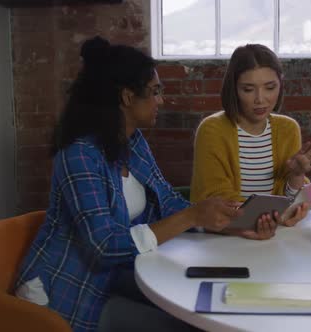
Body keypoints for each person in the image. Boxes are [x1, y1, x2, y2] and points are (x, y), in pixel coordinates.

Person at [14, 36, 240, 332]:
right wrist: (193, 216)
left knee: (200, 303)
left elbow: (168, 201)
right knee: (184, 326)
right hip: (67, 289)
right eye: (155, 91)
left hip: (115, 276)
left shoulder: (132, 141)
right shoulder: (78, 154)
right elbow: (104, 246)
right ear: (127, 97)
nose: (161, 100)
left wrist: (234, 223)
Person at [190, 44, 311, 240]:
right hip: (223, 239)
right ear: (234, 89)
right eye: (248, 89)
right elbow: (213, 198)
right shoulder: (212, 130)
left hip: (276, 237)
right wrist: (272, 217)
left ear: (280, 84)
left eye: (270, 88)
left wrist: (297, 175)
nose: (260, 99)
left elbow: (287, 200)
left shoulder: (288, 129)